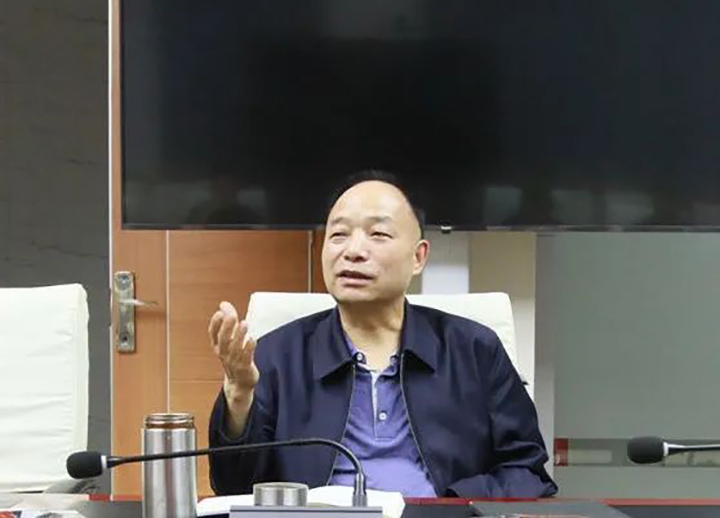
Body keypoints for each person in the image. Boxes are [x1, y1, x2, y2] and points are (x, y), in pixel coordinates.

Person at [207, 171, 557, 498]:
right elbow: (233, 489)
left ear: (418, 257)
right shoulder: (276, 355)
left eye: (378, 234)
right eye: (338, 235)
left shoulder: (475, 350)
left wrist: (450, 508)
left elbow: (527, 472)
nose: (353, 251)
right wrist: (238, 397)